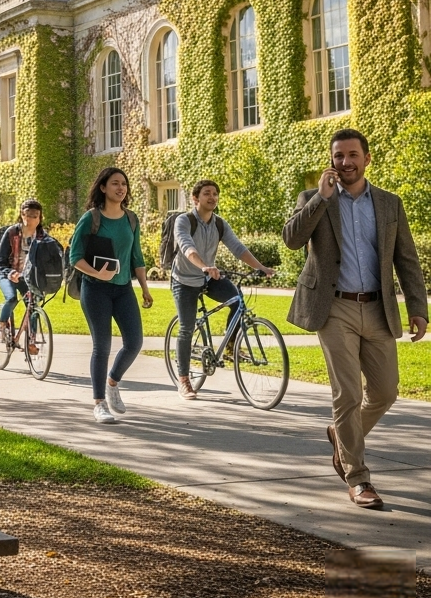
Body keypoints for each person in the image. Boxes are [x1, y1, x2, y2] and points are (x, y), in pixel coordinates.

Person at [283, 128, 428, 510]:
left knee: (385, 391)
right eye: (338, 156)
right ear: (331, 160)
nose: (345, 162)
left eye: (352, 155)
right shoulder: (314, 198)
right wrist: (320, 198)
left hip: (378, 307)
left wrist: (417, 306)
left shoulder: (389, 203)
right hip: (334, 308)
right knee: (346, 393)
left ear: (366, 158)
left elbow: (406, 259)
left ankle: (341, 435)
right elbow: (292, 240)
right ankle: (358, 478)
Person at [170, 181, 276, 400]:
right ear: (195, 198)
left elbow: (238, 248)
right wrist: (204, 266)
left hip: (209, 277)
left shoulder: (219, 224)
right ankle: (183, 380)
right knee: (187, 328)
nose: (212, 197)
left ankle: (229, 346)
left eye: (215, 194)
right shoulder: (184, 221)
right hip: (185, 280)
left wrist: (260, 267)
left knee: (237, 300)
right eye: (207, 193)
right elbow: (186, 246)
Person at [69, 167, 153, 424]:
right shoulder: (91, 218)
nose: (121, 188)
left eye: (124, 184)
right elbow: (75, 257)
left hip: (123, 288)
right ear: (103, 187)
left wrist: (145, 288)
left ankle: (112, 382)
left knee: (134, 342)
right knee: (102, 346)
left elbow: (136, 257)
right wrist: (96, 273)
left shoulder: (131, 219)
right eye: (115, 183)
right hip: (95, 289)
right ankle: (99, 404)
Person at [0, 199, 45, 348]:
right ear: (21, 215)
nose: (30, 219)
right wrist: (10, 273)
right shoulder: (11, 233)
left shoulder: (42, 237)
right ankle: (1, 325)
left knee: (33, 306)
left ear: (40, 218)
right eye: (27, 215)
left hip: (27, 278)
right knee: (11, 299)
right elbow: (0, 261)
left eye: (35, 216)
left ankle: (31, 340)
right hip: (7, 275)